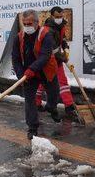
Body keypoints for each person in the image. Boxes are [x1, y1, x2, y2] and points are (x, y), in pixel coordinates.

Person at [12, 9, 61, 139]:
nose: (27, 27)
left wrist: (31, 70)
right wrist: (20, 74)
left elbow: (45, 56)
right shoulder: (19, 37)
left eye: (29, 23)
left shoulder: (46, 34)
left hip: (46, 70)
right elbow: (15, 58)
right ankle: (32, 127)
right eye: (25, 24)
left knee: (54, 94)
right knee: (29, 100)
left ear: (36, 22)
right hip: (29, 75)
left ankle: (52, 108)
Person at [35, 7, 76, 116]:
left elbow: (62, 39)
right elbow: (52, 49)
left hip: (57, 59)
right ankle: (36, 103)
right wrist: (64, 58)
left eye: (61, 16)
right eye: (57, 17)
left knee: (62, 81)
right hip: (46, 59)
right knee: (43, 83)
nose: (59, 18)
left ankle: (69, 106)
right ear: (52, 16)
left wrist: (65, 47)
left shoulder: (61, 25)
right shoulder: (47, 30)